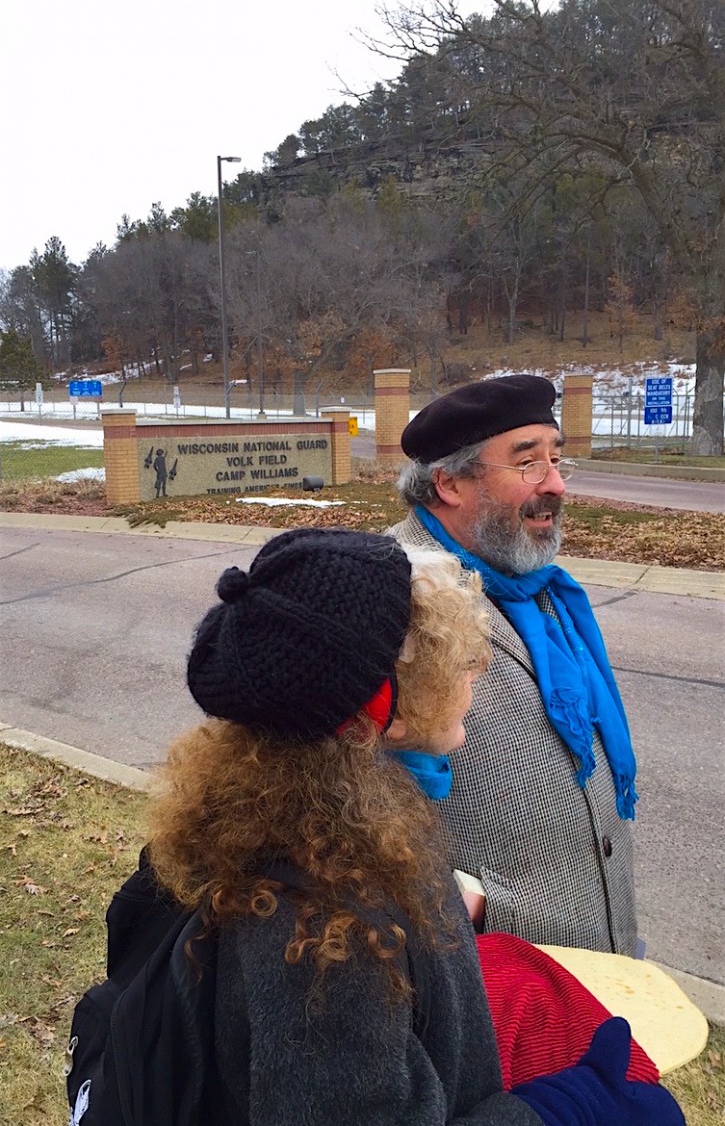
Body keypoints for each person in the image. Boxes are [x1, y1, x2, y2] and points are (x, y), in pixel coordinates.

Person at [144, 527, 681, 1125]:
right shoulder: (329, 929)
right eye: (446, 654)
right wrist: (561, 1112)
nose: (477, 664)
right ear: (383, 710)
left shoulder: (307, 821)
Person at [390, 374, 638, 955]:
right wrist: (461, 906)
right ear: (449, 483)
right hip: (491, 979)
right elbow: (333, 790)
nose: (554, 483)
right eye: (527, 463)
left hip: (602, 958)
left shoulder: (535, 583)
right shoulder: (392, 596)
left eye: (557, 459)